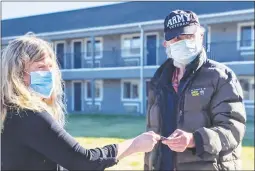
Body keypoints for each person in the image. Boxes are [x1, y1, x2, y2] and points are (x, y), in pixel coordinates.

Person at [1, 34, 161, 171]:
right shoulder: (30, 116)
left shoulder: (9, 113)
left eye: (50, 66)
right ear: (18, 74)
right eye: (40, 67)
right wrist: (134, 144)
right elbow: (84, 161)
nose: (49, 73)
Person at [144, 10, 246, 171]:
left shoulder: (220, 77)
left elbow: (233, 129)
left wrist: (194, 140)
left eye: (188, 36)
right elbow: (152, 131)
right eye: (176, 38)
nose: (182, 42)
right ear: (166, 44)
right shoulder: (158, 82)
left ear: (201, 36)